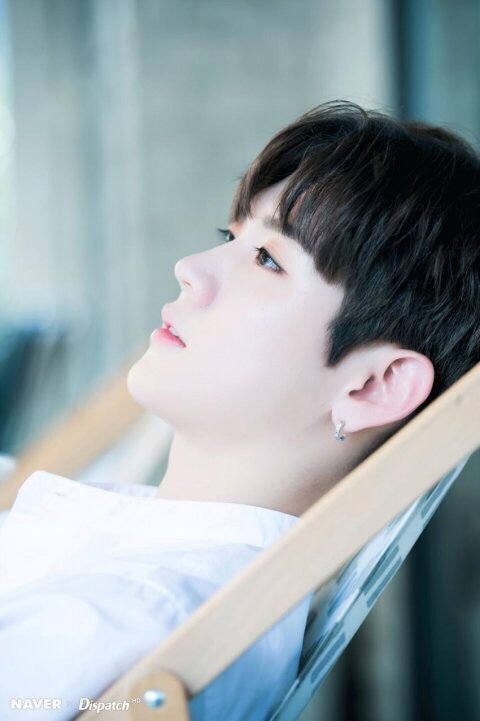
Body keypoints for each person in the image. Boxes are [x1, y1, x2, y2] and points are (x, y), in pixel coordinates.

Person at [1, 99, 479, 720]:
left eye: (268, 259)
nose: (188, 269)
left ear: (373, 387)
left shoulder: (128, 619)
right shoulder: (144, 578)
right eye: (232, 238)